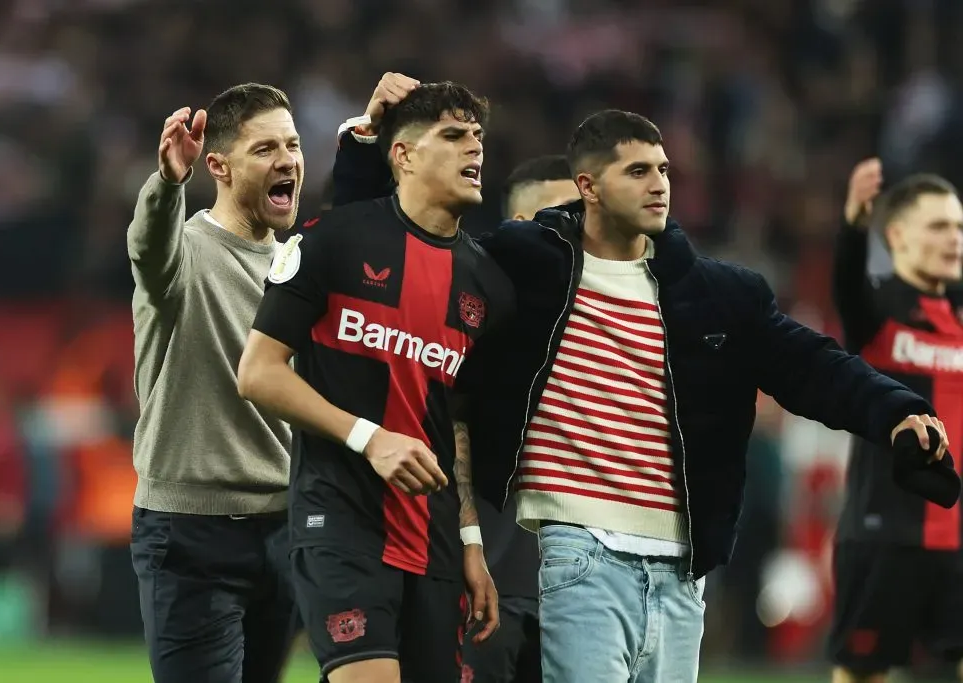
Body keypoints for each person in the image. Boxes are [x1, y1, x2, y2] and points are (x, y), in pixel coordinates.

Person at [329, 108, 956, 683]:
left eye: (663, 169)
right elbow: (396, 255)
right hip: (578, 550)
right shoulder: (523, 267)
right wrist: (363, 151)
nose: (660, 182)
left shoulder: (716, 292)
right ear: (589, 187)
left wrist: (896, 410)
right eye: (637, 171)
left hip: (683, 567)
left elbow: (812, 363)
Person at [236, 81, 513, 683]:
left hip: (436, 537)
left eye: (478, 137)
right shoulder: (332, 240)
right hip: (340, 520)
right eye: (453, 135)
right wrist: (370, 438)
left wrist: (470, 540)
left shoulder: (486, 284)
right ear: (404, 155)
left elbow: (455, 424)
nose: (475, 148)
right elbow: (257, 373)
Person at [126, 80, 378, 683]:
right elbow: (148, 247)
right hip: (192, 534)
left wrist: (368, 141)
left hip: (288, 527)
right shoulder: (184, 255)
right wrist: (167, 184)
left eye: (292, 145)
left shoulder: (299, 265)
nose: (287, 159)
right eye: (265, 149)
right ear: (218, 165)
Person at [828, 160, 963, 683]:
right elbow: (846, 285)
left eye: (957, 226)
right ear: (898, 235)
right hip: (884, 533)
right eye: (938, 226)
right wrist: (853, 226)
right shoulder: (877, 307)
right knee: (864, 672)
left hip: (957, 536)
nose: (953, 239)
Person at [460, 155, 578, 683]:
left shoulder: (614, 325)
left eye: (573, 220)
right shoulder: (466, 321)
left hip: (583, 598)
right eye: (545, 221)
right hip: (488, 583)